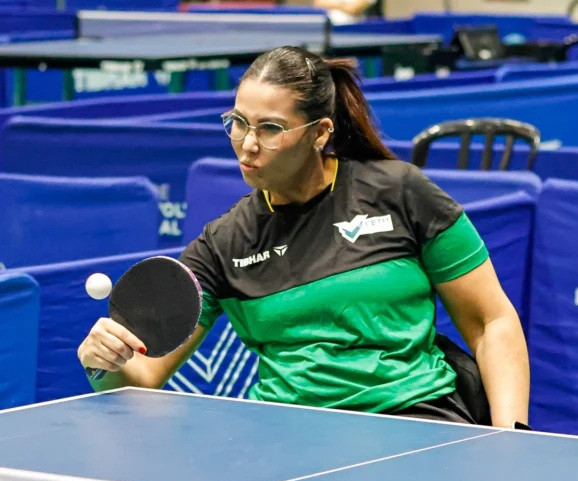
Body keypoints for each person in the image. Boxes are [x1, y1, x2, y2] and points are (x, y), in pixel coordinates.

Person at [77, 47, 530, 428]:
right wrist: (103, 364)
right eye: (238, 122)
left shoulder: (399, 192)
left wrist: (511, 440)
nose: (247, 143)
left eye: (270, 128)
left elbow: (491, 322)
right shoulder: (225, 243)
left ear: (320, 133)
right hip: (285, 432)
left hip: (414, 419)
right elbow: (144, 376)